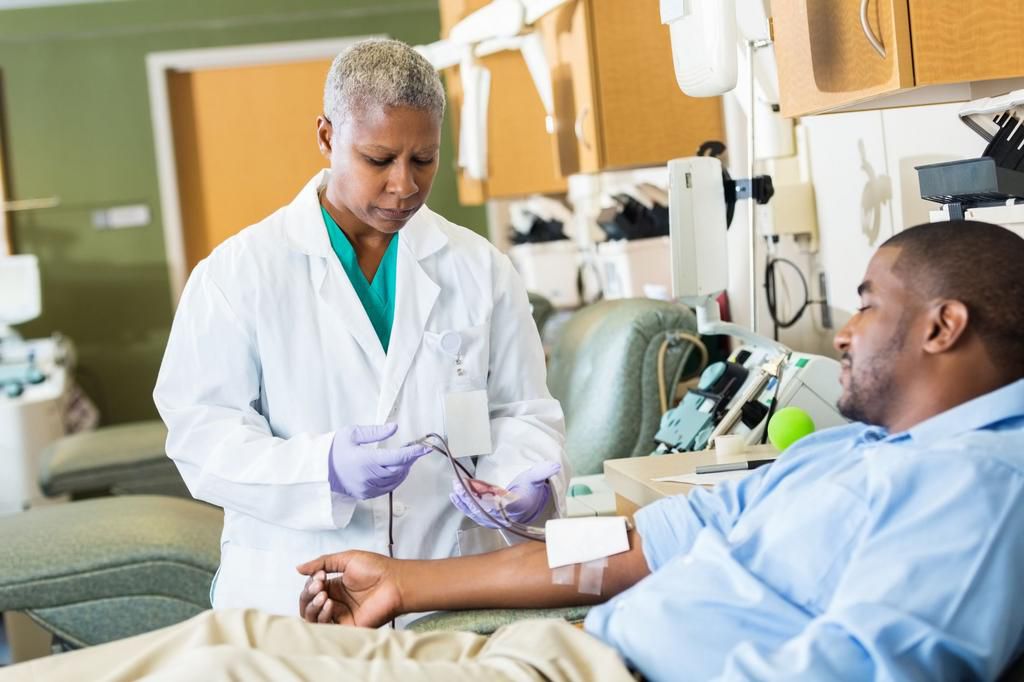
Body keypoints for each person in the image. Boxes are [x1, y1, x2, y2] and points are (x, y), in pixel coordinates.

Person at [9, 220, 1024, 680]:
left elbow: (870, 667)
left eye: (864, 304)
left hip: (599, 673)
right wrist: (410, 579)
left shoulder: (975, 484)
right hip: (551, 651)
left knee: (219, 675)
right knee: (223, 641)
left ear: (941, 326)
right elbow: (631, 542)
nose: (839, 332)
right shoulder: (844, 457)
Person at [152, 38, 569, 617]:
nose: (404, 186)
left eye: (424, 160)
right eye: (378, 159)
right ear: (326, 137)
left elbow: (521, 410)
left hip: (449, 587)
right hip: (294, 594)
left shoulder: (481, 270)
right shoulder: (237, 274)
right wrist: (322, 468)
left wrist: (523, 485)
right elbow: (200, 435)